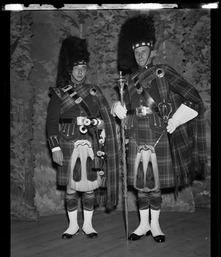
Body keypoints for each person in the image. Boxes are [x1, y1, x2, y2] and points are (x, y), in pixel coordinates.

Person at [112, 14, 207, 242]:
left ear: (151, 50)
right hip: (135, 133)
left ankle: (155, 225)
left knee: (153, 185)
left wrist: (176, 119)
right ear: (132, 54)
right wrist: (118, 106)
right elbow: (128, 107)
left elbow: (193, 97)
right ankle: (142, 225)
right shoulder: (129, 80)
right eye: (136, 52)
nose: (140, 55)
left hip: (158, 133)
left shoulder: (163, 72)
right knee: (141, 186)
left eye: (144, 51)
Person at [46, 36, 119, 239]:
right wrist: (55, 148)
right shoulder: (60, 94)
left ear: (86, 70)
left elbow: (105, 120)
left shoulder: (94, 92)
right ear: (69, 70)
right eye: (76, 68)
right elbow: (52, 123)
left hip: (91, 144)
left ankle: (88, 225)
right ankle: (72, 226)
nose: (80, 72)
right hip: (67, 144)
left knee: (89, 190)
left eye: (83, 68)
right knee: (71, 189)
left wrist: (102, 127)